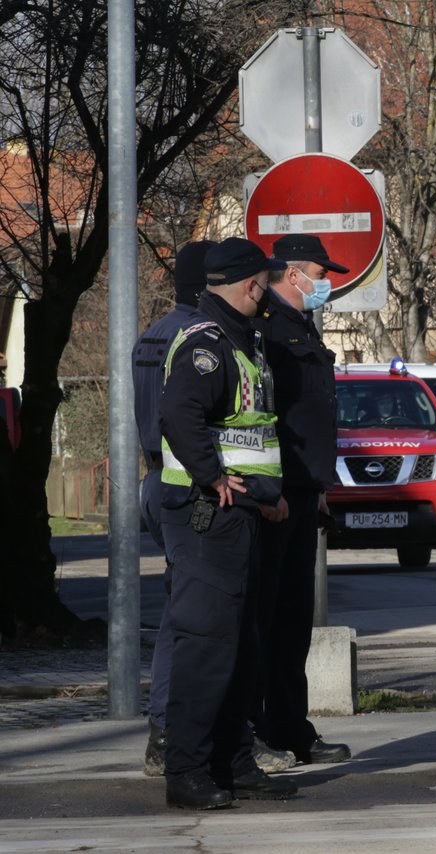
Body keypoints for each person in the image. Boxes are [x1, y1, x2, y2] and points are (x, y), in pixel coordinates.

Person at [158, 237, 296, 808]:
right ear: (248, 286)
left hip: (242, 516)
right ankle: (186, 771)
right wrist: (213, 477)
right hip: (207, 518)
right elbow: (178, 414)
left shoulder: (243, 341)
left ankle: (232, 761)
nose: (266, 294)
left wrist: (266, 495)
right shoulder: (207, 345)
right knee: (207, 646)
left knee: (243, 645)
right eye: (264, 284)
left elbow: (251, 432)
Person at [250, 233, 351, 766]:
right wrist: (273, 490)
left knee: (293, 622)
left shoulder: (299, 327)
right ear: (294, 275)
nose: (325, 283)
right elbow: (268, 419)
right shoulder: (263, 329)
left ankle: (293, 727)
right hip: (275, 494)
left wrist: (321, 490)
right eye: (320, 272)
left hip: (304, 491)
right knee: (265, 619)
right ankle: (260, 730)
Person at [132, 241, 212, 777]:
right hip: (193, 483)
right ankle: (174, 732)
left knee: (178, 612)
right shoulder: (199, 338)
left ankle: (166, 731)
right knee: (198, 619)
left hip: (158, 479)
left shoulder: (151, 334)